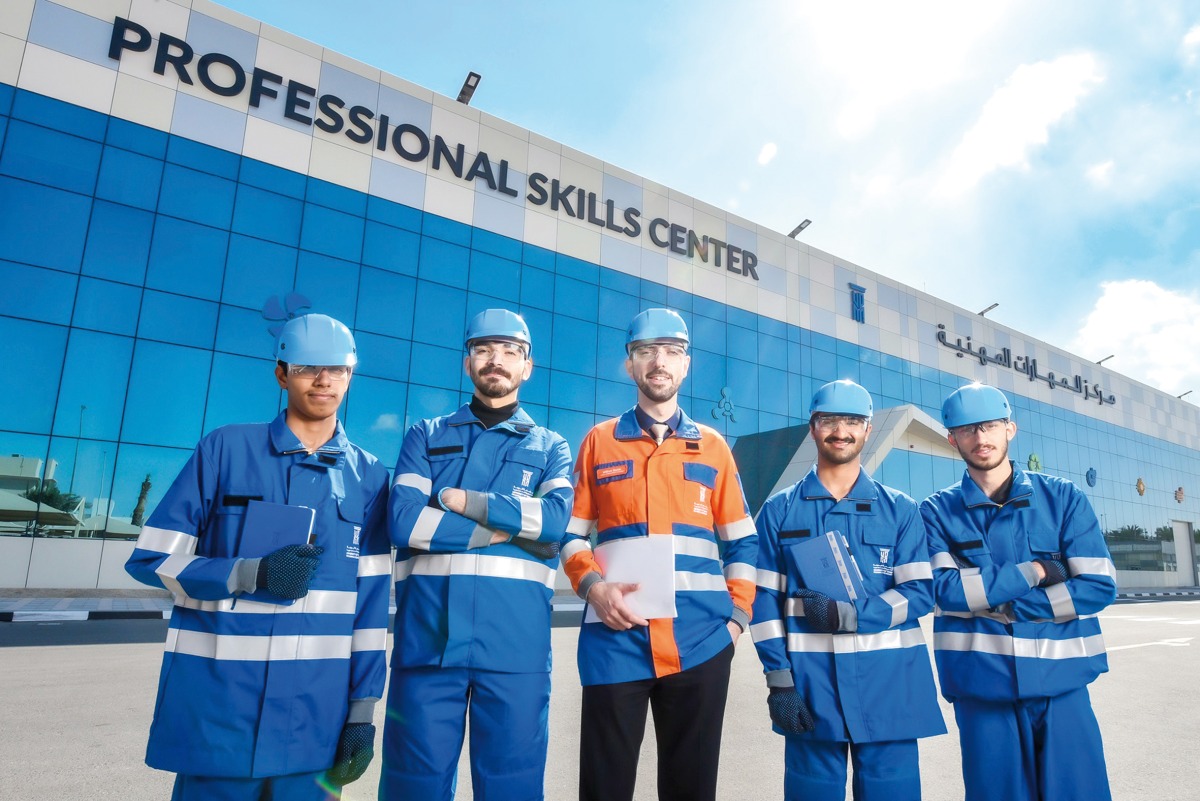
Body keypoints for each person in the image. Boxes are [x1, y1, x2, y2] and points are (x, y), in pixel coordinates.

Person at [125, 313, 391, 800]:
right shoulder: (225, 449)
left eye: (337, 369)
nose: (324, 380)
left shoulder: (371, 478)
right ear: (282, 375)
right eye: (307, 368)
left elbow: (371, 607)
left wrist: (362, 713)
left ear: (351, 376)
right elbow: (151, 559)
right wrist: (247, 573)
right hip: (221, 713)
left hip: (316, 721)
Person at [562, 308, 757, 801]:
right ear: (630, 363)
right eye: (646, 351)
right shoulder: (599, 442)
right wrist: (592, 587)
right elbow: (570, 536)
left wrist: (736, 620)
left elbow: (742, 540)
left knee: (691, 790)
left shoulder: (713, 447)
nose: (659, 361)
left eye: (671, 351)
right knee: (604, 790)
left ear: (686, 364)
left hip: (701, 643)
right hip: (614, 641)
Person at [381, 308, 573, 801]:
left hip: (515, 651)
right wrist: (508, 529)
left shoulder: (551, 446)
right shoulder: (426, 435)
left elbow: (554, 523)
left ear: (527, 367)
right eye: (483, 349)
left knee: (513, 791)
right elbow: (403, 523)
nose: (496, 360)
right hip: (427, 646)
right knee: (411, 790)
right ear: (468, 362)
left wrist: (468, 503)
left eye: (511, 351)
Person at [750, 380, 945, 801]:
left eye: (853, 421)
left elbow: (919, 593)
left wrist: (851, 616)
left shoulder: (900, 510)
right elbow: (762, 602)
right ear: (813, 427)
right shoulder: (779, 510)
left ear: (868, 429)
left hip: (890, 686)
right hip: (811, 688)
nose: (841, 431)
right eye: (830, 421)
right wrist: (779, 681)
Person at [921, 383, 1117, 801]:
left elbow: (1098, 585)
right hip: (982, 686)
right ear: (952, 439)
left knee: (1079, 794)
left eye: (990, 426)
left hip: (1062, 683)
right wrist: (1037, 571)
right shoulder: (935, 511)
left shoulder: (1063, 498)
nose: (980, 438)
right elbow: (945, 591)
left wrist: (1003, 602)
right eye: (967, 429)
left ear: (1010, 429)